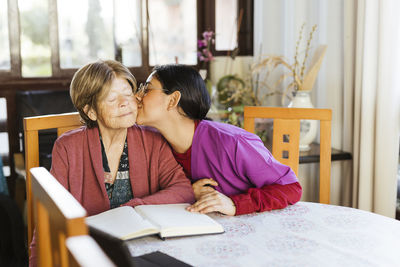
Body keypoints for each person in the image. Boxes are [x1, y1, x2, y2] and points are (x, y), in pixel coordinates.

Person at [29, 60, 194, 266]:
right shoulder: (68, 147)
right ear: (91, 111)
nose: (124, 103)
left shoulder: (153, 139)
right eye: (111, 99)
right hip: (91, 255)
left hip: (145, 250)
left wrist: (135, 206)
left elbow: (183, 189)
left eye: (128, 94)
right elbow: (50, 219)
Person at [135, 64, 302, 216]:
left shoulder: (232, 143)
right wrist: (187, 192)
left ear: (172, 100)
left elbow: (291, 188)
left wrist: (235, 204)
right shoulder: (152, 142)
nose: (137, 96)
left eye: (146, 89)